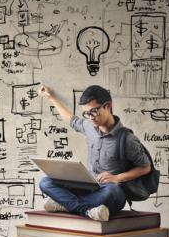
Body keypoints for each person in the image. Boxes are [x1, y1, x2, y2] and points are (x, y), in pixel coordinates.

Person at [37, 84, 151, 221]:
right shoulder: (89, 126)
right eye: (86, 113)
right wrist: (51, 98)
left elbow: (145, 167)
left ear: (108, 106)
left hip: (107, 191)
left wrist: (117, 178)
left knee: (113, 192)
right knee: (45, 182)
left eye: (93, 111)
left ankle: (65, 203)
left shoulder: (127, 139)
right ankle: (86, 210)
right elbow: (71, 119)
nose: (90, 117)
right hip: (86, 187)